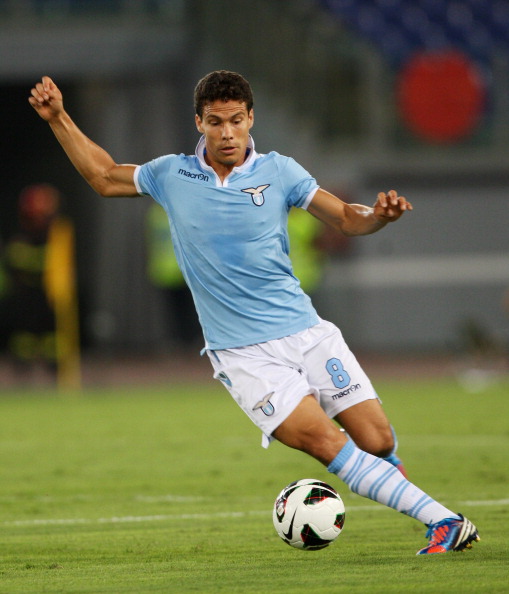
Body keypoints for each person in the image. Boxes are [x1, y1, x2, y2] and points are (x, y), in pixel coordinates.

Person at [29, 71, 479, 554]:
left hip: (307, 333)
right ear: (199, 122)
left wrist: (378, 217)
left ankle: (406, 495)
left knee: (378, 440)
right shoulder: (171, 174)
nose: (227, 133)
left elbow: (348, 217)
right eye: (216, 122)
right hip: (244, 354)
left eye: (236, 121)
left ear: (251, 119)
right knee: (323, 441)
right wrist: (58, 118)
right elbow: (103, 176)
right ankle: (443, 521)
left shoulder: (280, 171)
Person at [2, 183, 81, 389]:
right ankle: (22, 374)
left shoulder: (58, 233)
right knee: (24, 339)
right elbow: (17, 261)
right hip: (25, 294)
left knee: (53, 338)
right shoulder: (21, 235)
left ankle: (54, 372)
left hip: (50, 294)